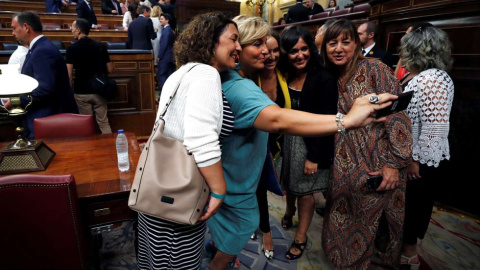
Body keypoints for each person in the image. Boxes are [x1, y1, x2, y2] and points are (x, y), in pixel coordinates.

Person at [204, 15, 399, 270]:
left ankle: (217, 247)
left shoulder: (237, 77)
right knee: (243, 223)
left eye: (268, 44)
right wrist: (347, 121)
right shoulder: (241, 86)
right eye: (256, 44)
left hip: (237, 171)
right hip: (235, 178)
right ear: (237, 47)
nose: (266, 51)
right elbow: (277, 119)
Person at [136, 12, 237, 270]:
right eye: (233, 39)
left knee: (157, 260)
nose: (239, 47)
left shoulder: (182, 72)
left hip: (160, 191)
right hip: (179, 195)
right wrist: (219, 190)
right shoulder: (205, 74)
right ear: (210, 41)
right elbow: (201, 139)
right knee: (175, 262)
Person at [320, 19, 413, 269]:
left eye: (346, 42)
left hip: (377, 158)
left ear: (357, 43)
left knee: (371, 219)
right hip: (343, 162)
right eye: (332, 43)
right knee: (343, 213)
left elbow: (398, 114)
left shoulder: (375, 68)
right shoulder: (329, 74)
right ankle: (343, 260)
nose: (338, 48)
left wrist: (394, 163)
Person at [276, 25, 337, 260]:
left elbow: (327, 121)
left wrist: (314, 157)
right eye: (293, 51)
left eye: (304, 49)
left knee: (306, 191)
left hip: (312, 143)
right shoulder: (284, 74)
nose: (300, 55)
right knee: (289, 182)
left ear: (311, 49)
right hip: (287, 141)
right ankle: (289, 210)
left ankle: (300, 237)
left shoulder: (323, 78)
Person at [399, 25, 454, 270]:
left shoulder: (433, 79)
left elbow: (435, 127)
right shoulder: (424, 76)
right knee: (409, 205)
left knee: (416, 206)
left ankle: (409, 255)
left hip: (422, 160)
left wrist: (415, 160)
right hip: (417, 155)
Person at [252, 30, 289, 260]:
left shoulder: (285, 74)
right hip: (254, 142)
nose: (271, 55)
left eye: (276, 50)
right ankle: (266, 231)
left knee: (272, 185)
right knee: (259, 188)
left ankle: (258, 222)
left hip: (279, 143)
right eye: (267, 50)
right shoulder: (249, 77)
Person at [11, 11, 77, 139]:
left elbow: (44, 89)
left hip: (49, 120)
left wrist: (17, 101)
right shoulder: (39, 48)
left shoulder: (42, 50)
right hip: (45, 118)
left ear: (26, 27)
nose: (12, 33)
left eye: (14, 28)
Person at [66, 18, 113, 134]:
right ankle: (110, 148)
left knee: (87, 124)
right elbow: (110, 69)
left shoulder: (72, 48)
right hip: (99, 90)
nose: (71, 31)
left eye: (72, 29)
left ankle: (90, 150)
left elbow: (69, 75)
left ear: (78, 30)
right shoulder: (100, 46)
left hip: (81, 91)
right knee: (103, 122)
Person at [156, 13, 175, 88]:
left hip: (165, 57)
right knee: (169, 76)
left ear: (167, 20)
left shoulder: (167, 30)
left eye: (162, 19)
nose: (160, 20)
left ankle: (165, 93)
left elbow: (164, 44)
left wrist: (159, 56)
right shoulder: (169, 30)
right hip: (170, 57)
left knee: (161, 74)